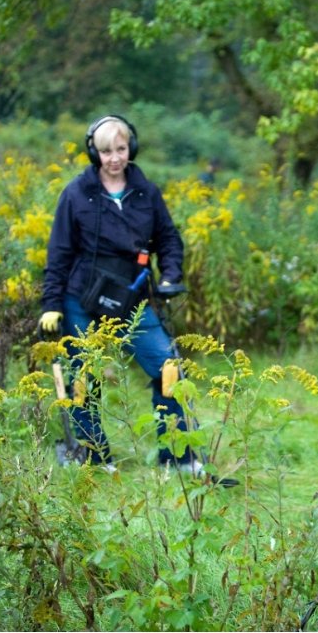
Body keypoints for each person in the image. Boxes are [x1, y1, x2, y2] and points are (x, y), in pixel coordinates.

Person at [39, 114, 201, 475]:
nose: (114, 158)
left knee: (168, 369)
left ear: (132, 148)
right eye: (106, 151)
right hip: (81, 295)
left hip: (131, 294)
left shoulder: (147, 193)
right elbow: (59, 252)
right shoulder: (76, 194)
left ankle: (177, 458)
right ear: (94, 152)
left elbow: (169, 239)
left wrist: (171, 274)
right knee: (81, 378)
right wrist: (51, 304)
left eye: (121, 149)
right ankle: (94, 459)